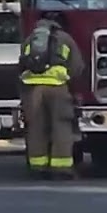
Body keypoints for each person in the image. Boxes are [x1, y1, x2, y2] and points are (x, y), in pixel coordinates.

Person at [18, 12, 84, 178]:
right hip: (57, 88)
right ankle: (61, 167)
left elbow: (21, 65)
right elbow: (77, 67)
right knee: (61, 126)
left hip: (32, 90)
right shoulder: (65, 39)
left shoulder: (29, 39)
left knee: (35, 128)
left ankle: (37, 167)